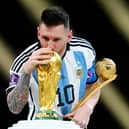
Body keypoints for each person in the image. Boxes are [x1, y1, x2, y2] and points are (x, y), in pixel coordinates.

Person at [6, 6, 101, 128]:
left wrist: (88, 107)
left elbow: (93, 84)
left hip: (74, 126)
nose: (50, 46)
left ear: (69, 37)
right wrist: (26, 71)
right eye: (45, 38)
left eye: (56, 39)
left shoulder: (84, 51)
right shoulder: (23, 61)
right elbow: (14, 107)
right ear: (38, 33)